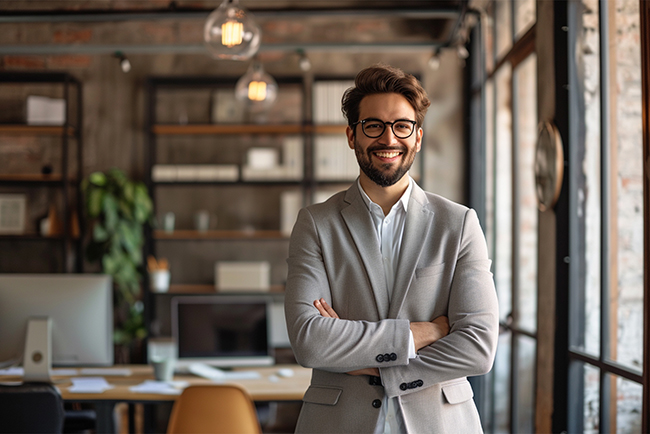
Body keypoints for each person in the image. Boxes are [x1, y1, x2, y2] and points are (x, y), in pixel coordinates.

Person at [284, 64, 499, 433]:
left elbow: (478, 347)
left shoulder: (459, 223)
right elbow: (310, 342)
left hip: (441, 422)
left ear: (417, 137)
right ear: (352, 136)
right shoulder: (316, 223)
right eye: (373, 126)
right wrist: (425, 332)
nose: (388, 139)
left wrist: (370, 361)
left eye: (402, 125)